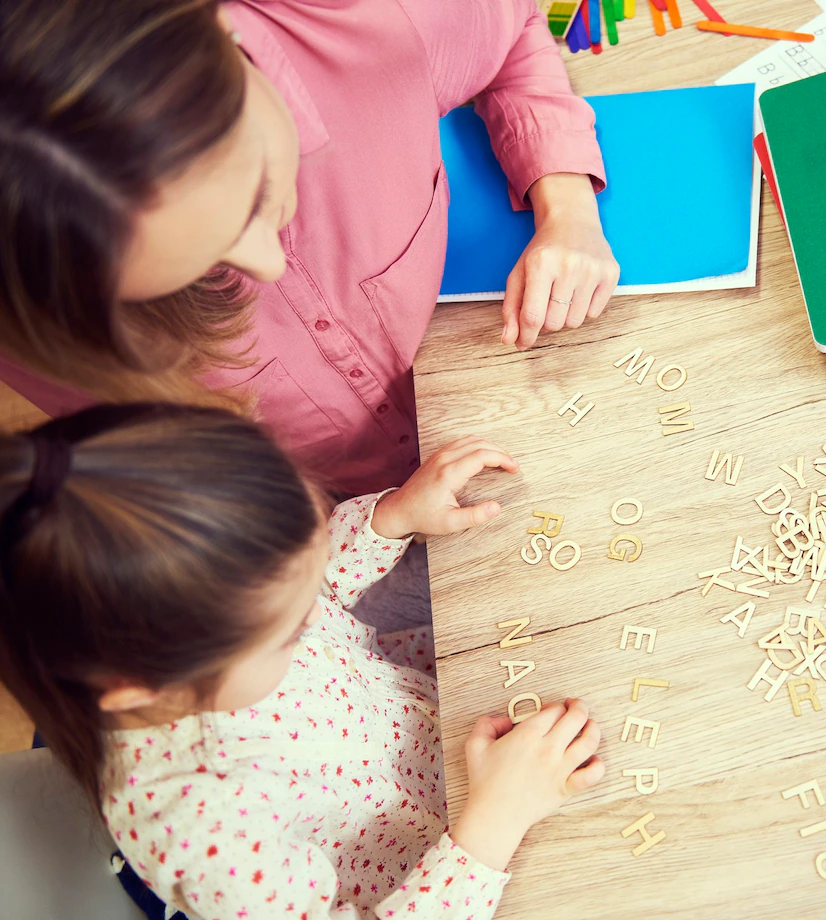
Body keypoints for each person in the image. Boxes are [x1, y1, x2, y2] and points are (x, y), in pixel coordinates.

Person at [0, 402, 605, 919]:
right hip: (452, 870)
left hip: (443, 729)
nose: (317, 621)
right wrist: (492, 821)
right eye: (285, 633)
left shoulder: (202, 625)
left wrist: (390, 518)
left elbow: (308, 595)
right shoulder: (208, 835)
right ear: (137, 686)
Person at [0, 0, 619, 495]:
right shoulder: (31, 319)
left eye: (259, 191)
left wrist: (565, 207)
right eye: (191, 271)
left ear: (223, 39)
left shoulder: (369, 25)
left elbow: (513, 29)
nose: (264, 266)